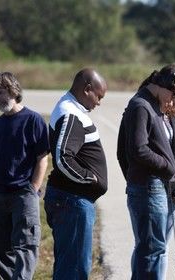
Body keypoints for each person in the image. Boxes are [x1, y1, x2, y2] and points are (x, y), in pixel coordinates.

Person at [116, 63, 175, 280]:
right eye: (173, 95)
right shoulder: (140, 106)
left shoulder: (164, 108)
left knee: (157, 250)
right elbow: (136, 150)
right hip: (148, 187)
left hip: (167, 187)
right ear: (162, 85)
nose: (174, 102)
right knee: (151, 251)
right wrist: (169, 167)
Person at [0, 72, 49, 279]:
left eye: (1, 92)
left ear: (13, 91)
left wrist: (33, 189)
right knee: (0, 249)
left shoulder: (33, 120)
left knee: (25, 246)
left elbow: (42, 159)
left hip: (23, 194)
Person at [44, 68, 108, 279]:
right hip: (72, 201)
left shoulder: (72, 109)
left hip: (72, 201)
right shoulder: (70, 114)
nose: (99, 102)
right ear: (87, 89)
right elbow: (63, 158)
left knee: (71, 266)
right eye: (98, 96)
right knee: (73, 270)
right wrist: (90, 178)